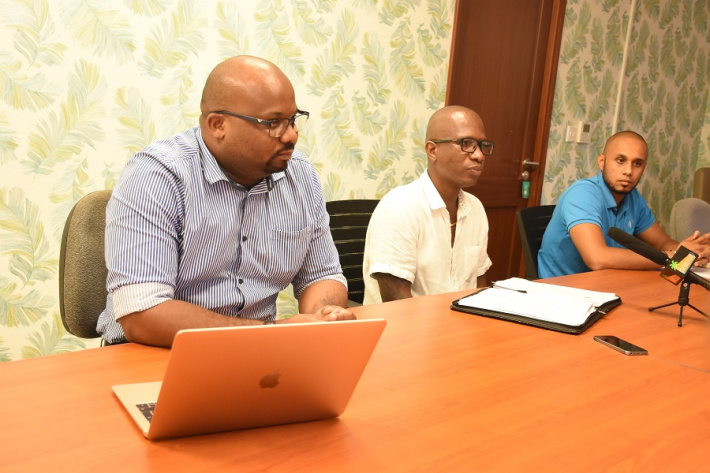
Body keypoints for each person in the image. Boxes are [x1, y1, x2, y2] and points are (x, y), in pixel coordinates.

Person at [96, 56, 354, 347]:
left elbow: (322, 275)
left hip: (260, 351)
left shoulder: (300, 174)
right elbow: (142, 314)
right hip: (154, 352)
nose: (292, 135)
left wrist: (325, 316)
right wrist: (270, 333)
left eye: (293, 120)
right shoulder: (157, 177)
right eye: (274, 123)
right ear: (218, 125)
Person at [362, 105, 493, 304]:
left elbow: (478, 284)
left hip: (460, 321)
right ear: (433, 150)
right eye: (467, 143)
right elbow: (396, 301)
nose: (479, 155)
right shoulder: (400, 206)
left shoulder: (476, 209)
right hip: (402, 322)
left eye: (483, 145)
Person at [538, 130, 710, 278]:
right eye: (620, 160)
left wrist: (691, 253)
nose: (628, 171)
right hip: (563, 290)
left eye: (637, 163)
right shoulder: (582, 193)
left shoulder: (633, 198)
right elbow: (597, 258)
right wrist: (671, 257)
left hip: (606, 284)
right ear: (602, 162)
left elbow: (662, 243)